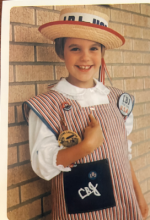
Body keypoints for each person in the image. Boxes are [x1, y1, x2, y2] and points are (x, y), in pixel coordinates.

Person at [22, 7, 149, 220]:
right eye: (74, 48)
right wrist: (86, 146)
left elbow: (123, 156)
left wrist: (139, 196)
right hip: (81, 210)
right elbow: (42, 166)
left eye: (93, 48)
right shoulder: (47, 105)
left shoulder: (118, 101)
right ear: (61, 51)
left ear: (102, 53)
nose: (85, 57)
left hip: (123, 205)